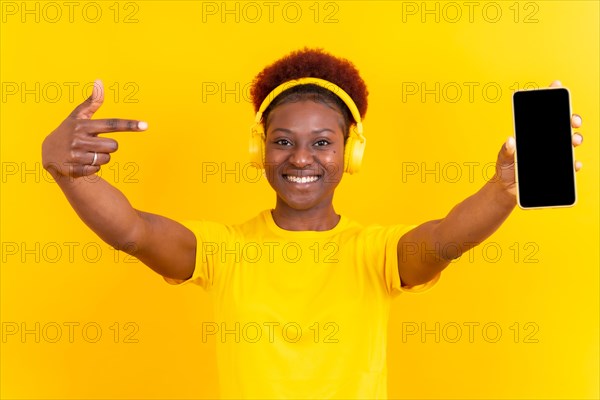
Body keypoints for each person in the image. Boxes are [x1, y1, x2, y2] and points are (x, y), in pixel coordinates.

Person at [41, 48, 584, 399]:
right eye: (283, 141)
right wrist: (68, 174)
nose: (301, 158)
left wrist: (503, 190)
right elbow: (132, 231)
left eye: (322, 142)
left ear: (350, 154)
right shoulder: (223, 250)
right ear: (261, 151)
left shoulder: (375, 253)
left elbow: (444, 240)